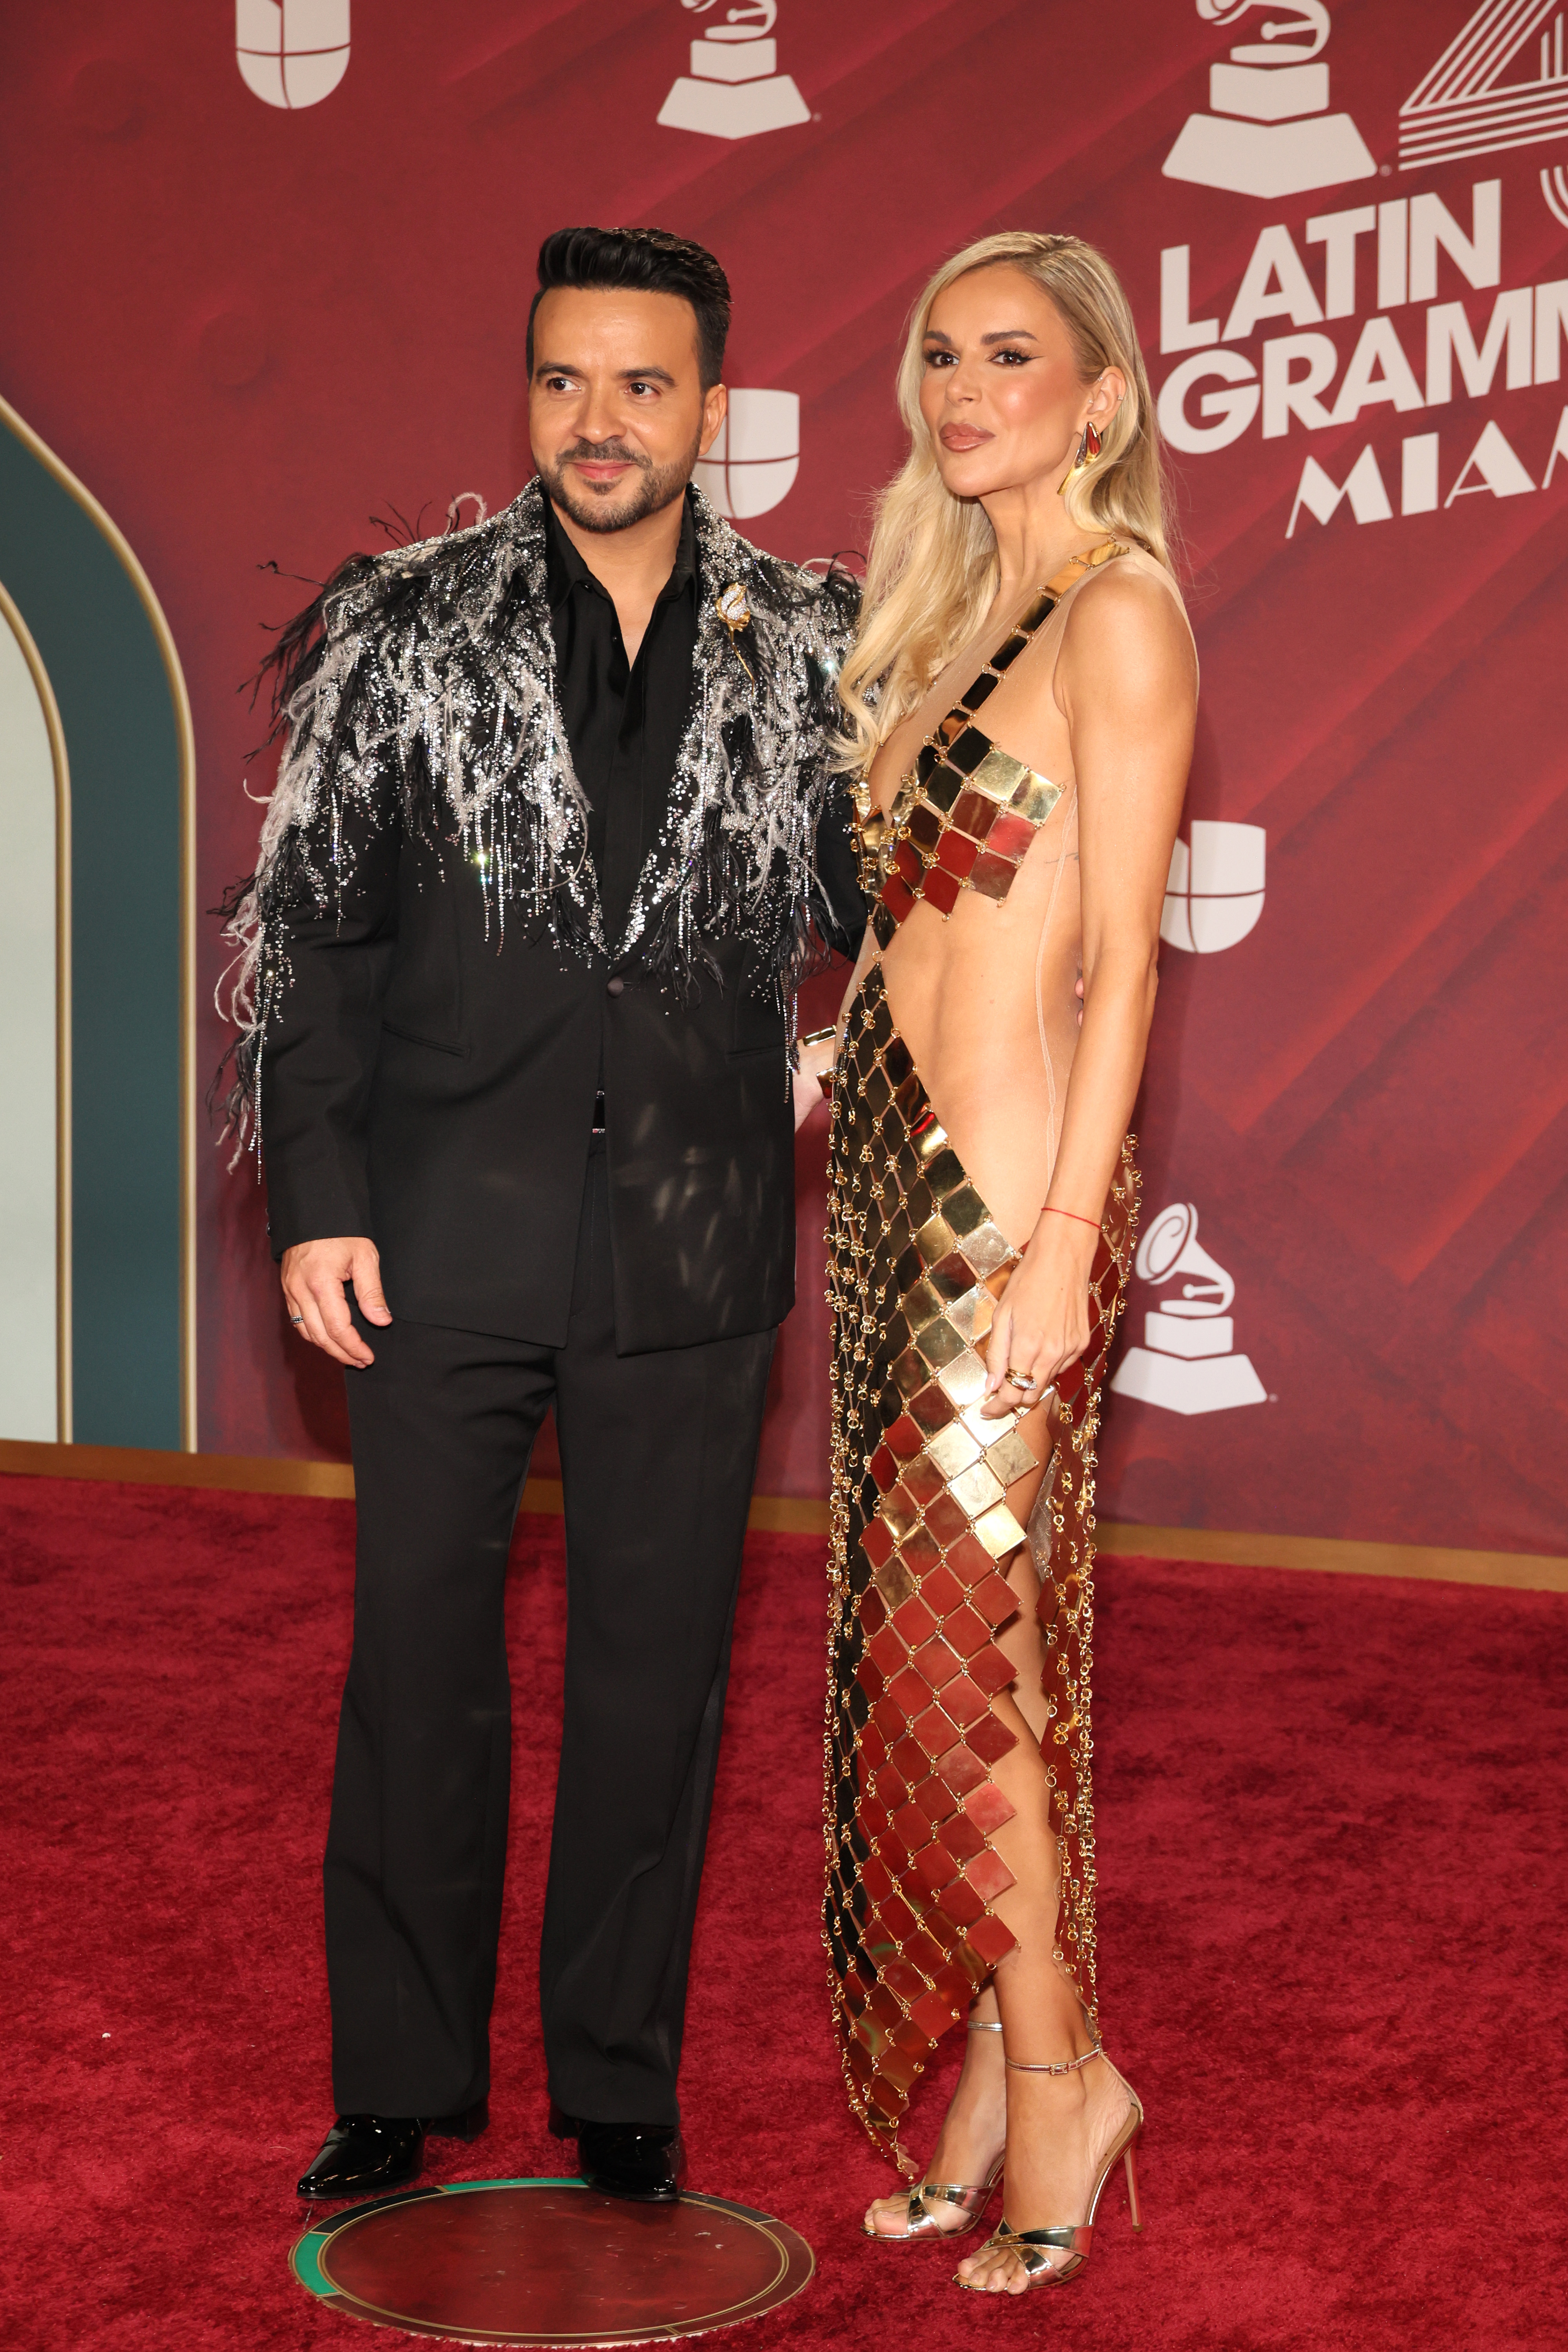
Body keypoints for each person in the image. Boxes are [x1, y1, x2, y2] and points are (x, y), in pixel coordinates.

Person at [221, 225, 863, 2206]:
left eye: (642, 385)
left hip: (691, 1242)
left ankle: (617, 2087)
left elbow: (887, 902)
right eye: (565, 381)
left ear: (713, 410)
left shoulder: (820, 640)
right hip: (432, 1239)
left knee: (653, 1678)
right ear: (528, 393)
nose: (599, 422)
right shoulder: (399, 627)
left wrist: (862, 1050)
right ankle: (399, 2082)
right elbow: (311, 941)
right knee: (418, 1663)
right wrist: (316, 1200)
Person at [797, 231, 1196, 2293]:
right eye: (937, 353)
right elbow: (922, 931)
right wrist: (809, 1059)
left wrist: (1057, 1250)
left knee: (971, 1681)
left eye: (1012, 356)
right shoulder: (962, 617)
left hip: (1006, 1215)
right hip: (886, 1190)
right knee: (924, 1649)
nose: (965, 389)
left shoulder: (1118, 613)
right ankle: (986, 2059)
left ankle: (1062, 2086)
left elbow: (1121, 957)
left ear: (1101, 399)